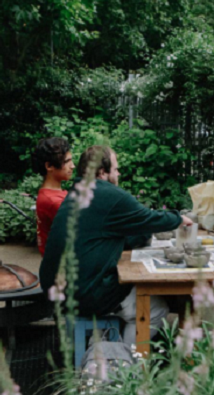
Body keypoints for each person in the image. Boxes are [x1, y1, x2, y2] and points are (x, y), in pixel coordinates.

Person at [39, 145, 194, 345]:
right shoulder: (106, 194)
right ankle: (124, 366)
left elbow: (110, 234)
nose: (119, 173)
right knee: (156, 310)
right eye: (116, 168)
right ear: (102, 172)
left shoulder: (78, 191)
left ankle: (111, 343)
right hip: (83, 292)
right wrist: (179, 219)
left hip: (57, 288)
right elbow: (148, 217)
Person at [31, 137, 75, 256]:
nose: (73, 166)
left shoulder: (52, 193)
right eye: (67, 162)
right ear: (49, 166)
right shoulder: (53, 201)